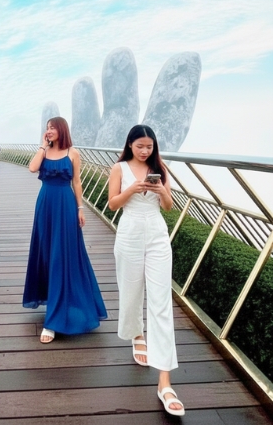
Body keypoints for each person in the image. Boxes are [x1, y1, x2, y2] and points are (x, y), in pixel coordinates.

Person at [108, 124, 185, 417]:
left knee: (161, 302)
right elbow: (112, 204)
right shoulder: (119, 169)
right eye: (140, 146)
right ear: (130, 144)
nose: (144, 151)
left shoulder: (160, 168)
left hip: (156, 235)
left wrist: (161, 190)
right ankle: (136, 333)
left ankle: (164, 382)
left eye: (149, 146)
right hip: (129, 233)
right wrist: (132, 189)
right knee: (130, 292)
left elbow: (168, 207)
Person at [23, 116, 107, 343]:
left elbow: (77, 182)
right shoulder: (44, 151)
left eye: (52, 128)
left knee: (62, 256)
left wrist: (80, 208)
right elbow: (32, 168)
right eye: (47, 128)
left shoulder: (73, 153)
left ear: (62, 129)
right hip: (45, 205)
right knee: (47, 254)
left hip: (66, 205)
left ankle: (53, 321)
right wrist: (43, 146)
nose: (49, 130)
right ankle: (54, 301)